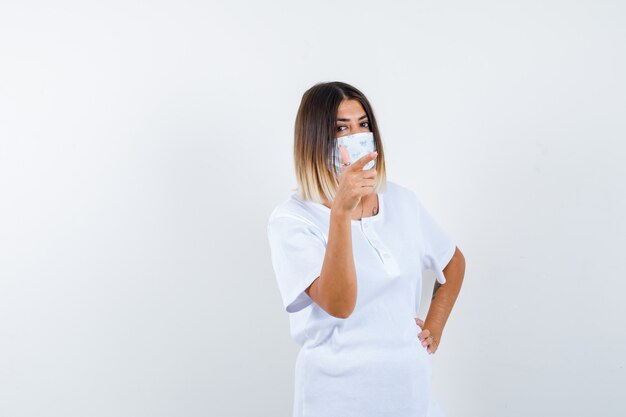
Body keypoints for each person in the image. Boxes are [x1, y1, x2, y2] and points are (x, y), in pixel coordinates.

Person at [266, 81, 466, 417]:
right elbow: (339, 304)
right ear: (315, 140)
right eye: (341, 128)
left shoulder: (401, 201)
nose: (356, 135)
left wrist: (436, 325)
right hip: (338, 400)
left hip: (411, 396)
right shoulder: (292, 220)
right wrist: (341, 213)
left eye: (364, 124)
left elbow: (454, 262)